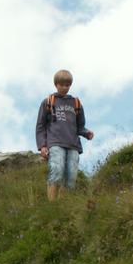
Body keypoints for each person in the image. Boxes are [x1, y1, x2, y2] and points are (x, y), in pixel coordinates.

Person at [35, 69, 94, 200]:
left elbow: (80, 127)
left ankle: (63, 206)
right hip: (55, 143)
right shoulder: (48, 101)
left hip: (73, 145)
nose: (64, 87)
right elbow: (40, 126)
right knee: (57, 170)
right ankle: (52, 205)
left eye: (67, 85)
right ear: (56, 84)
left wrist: (86, 133)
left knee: (71, 176)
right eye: (61, 85)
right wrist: (42, 146)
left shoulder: (76, 103)